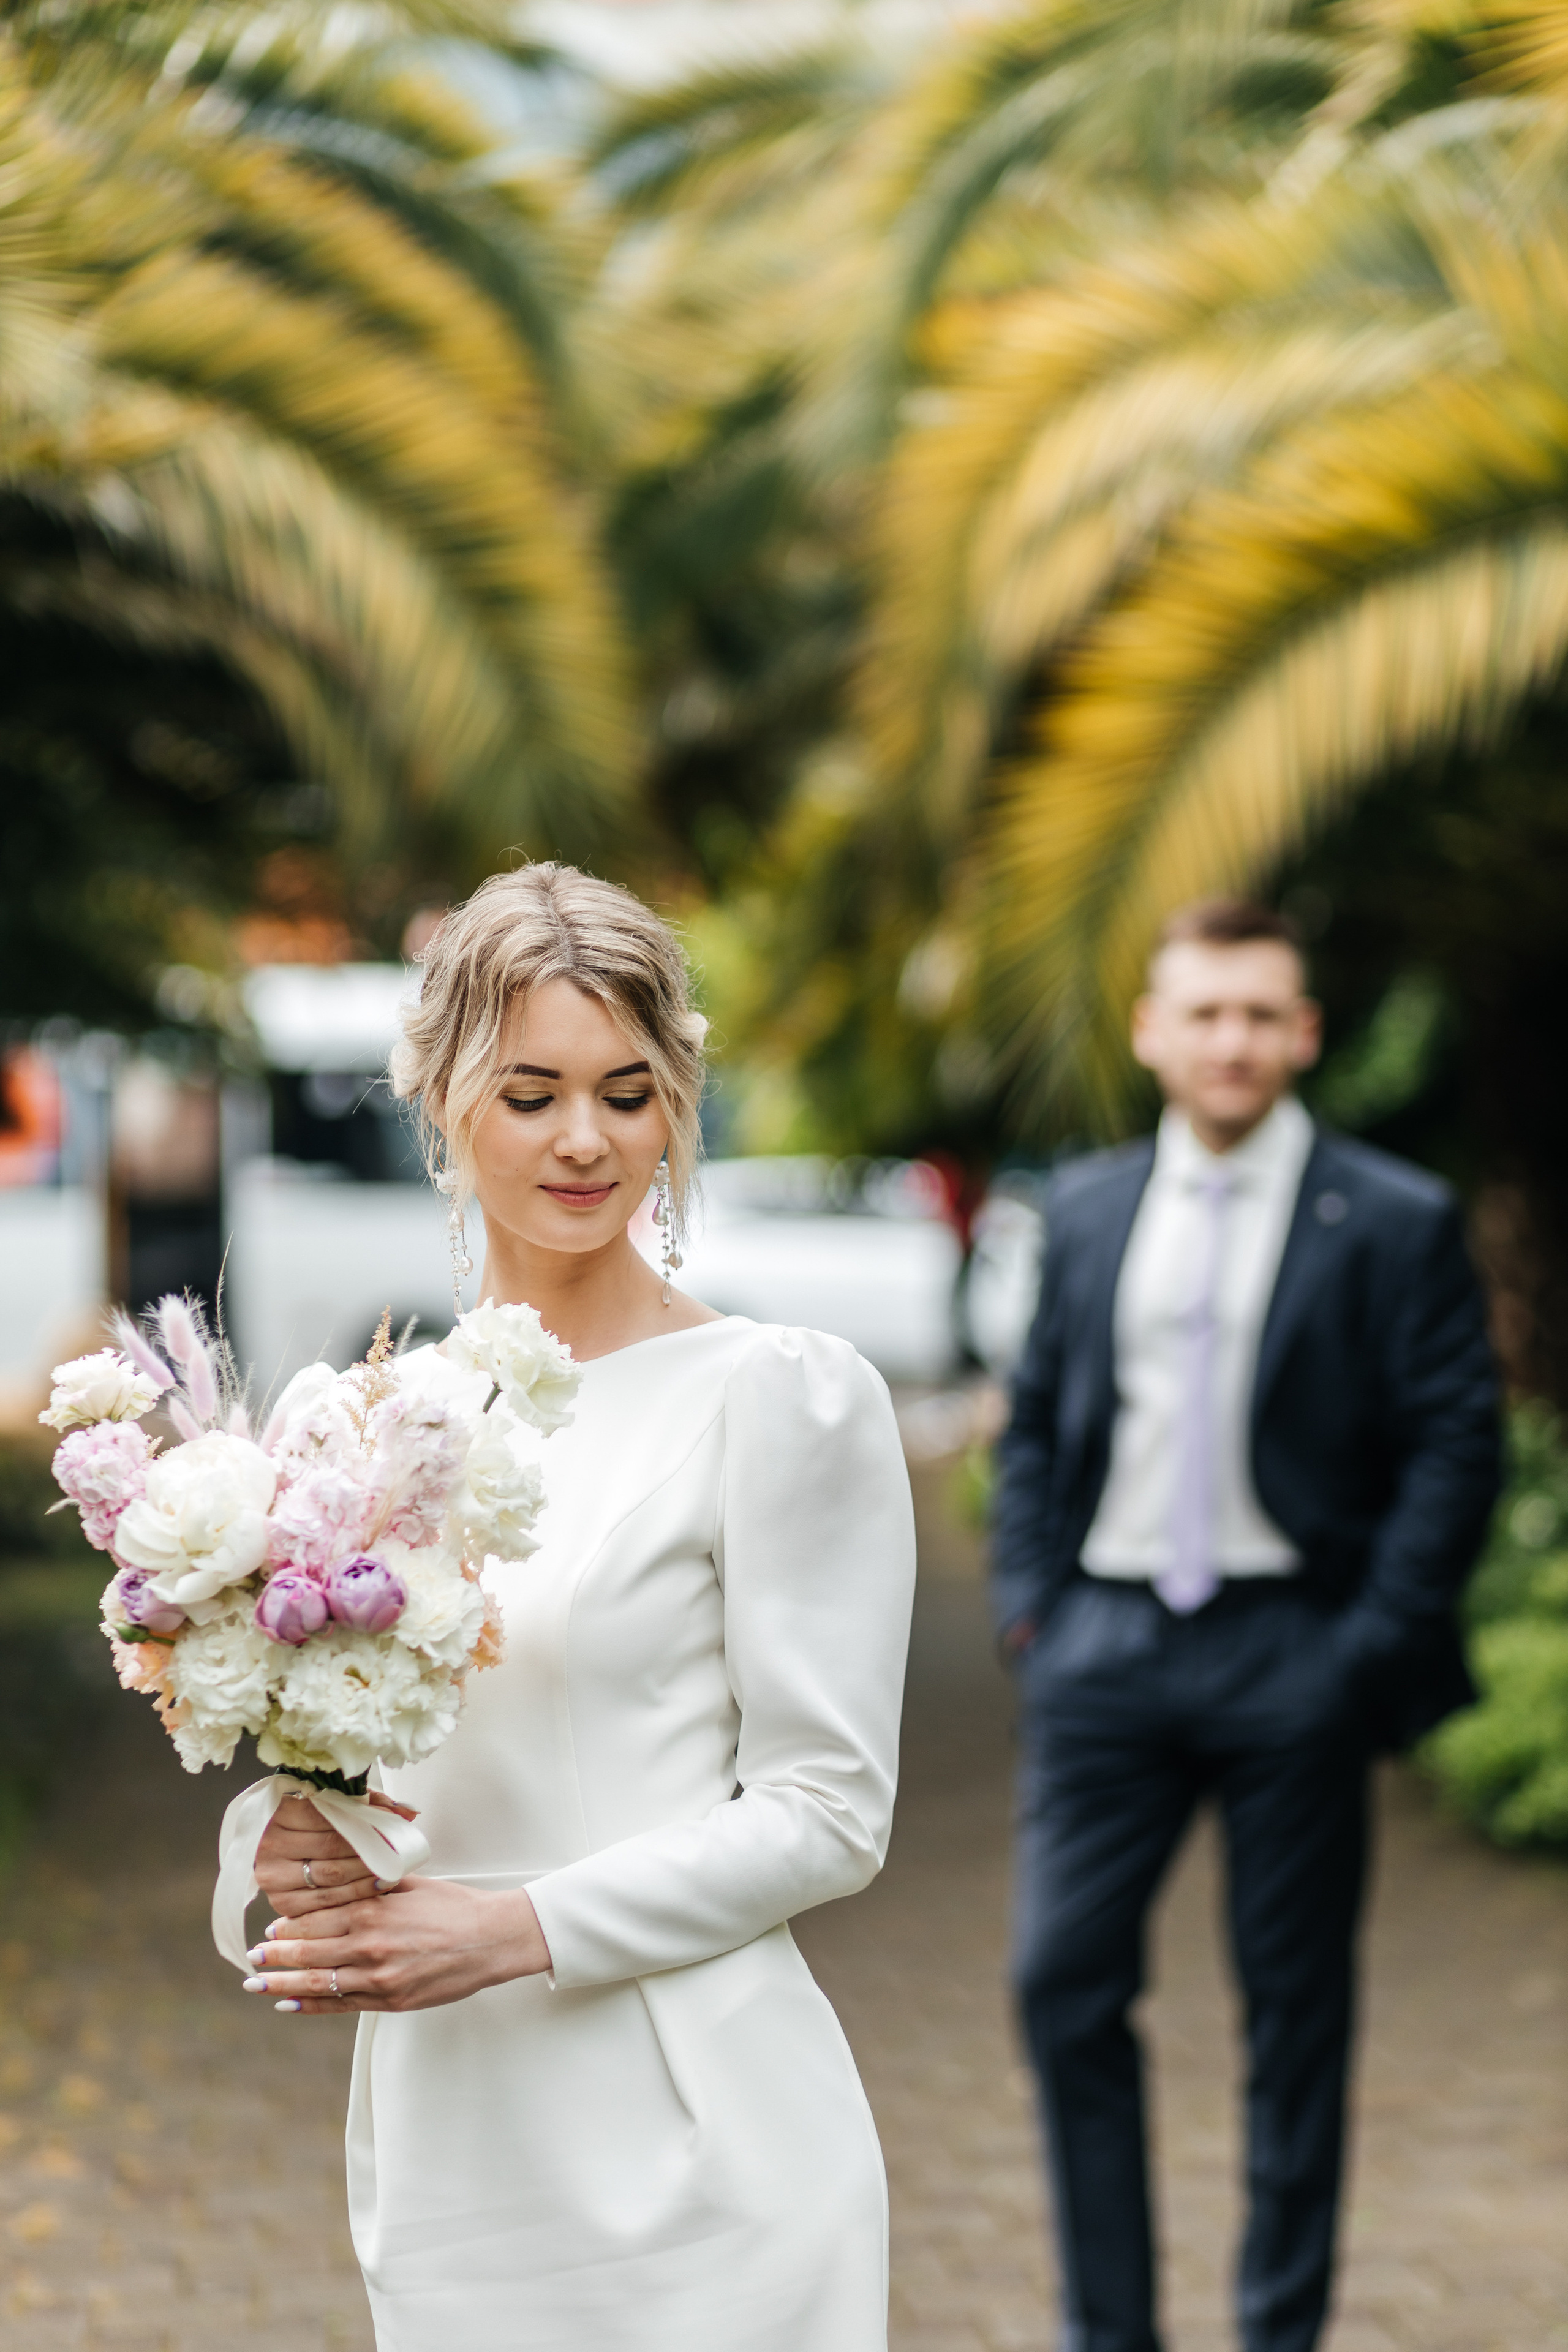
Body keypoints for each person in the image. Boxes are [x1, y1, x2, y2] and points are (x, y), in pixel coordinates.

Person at [239, 862, 917, 2351]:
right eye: (530, 1090)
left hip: (700, 2124)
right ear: (440, 1097)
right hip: (452, 2132)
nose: (584, 1139)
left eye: (626, 1090)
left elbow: (826, 1810)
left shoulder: (777, 1399)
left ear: (676, 1101)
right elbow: (360, 1769)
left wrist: (512, 1929)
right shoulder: (353, 1425)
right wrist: (297, 1839)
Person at [991, 899, 1502, 2352]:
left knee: (1295, 2025)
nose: (1230, 1041)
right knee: (1058, 1985)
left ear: (1302, 1034)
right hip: (1100, 1651)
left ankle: (1276, 2333)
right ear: (1150, 1032)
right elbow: (1032, 1425)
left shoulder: (1392, 1217)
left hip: (1297, 1654)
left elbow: (1453, 1442)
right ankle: (1113, 2333)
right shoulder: (1082, 1210)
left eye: (1259, 1014)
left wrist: (1364, 1649)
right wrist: (1029, 1611)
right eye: (1203, 1013)